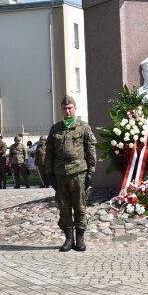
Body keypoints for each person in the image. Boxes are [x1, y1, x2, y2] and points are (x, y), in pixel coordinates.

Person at [44, 95, 97, 252]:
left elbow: (91, 150)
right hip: (60, 174)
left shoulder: (83, 127)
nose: (67, 111)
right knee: (64, 207)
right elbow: (49, 153)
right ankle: (68, 238)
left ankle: (80, 238)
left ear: (74, 109)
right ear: (61, 110)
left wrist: (91, 171)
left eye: (70, 108)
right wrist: (49, 173)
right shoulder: (55, 129)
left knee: (80, 206)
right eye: (64, 109)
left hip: (78, 172)